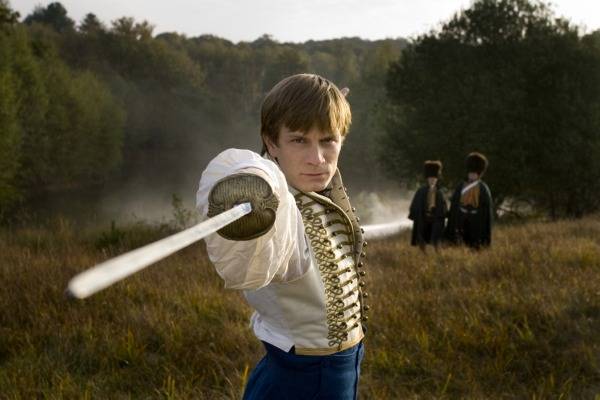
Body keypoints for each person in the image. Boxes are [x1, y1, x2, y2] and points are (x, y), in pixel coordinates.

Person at [196, 74, 368, 399]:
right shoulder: (278, 208)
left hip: (340, 367)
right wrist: (252, 187)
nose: (317, 159)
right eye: (300, 140)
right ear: (272, 143)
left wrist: (333, 107)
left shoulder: (316, 187)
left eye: (329, 140)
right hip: (302, 380)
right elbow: (250, 169)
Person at [446, 152, 493, 249]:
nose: (471, 176)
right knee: (459, 243)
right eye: (470, 173)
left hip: (476, 219)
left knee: (475, 245)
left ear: (478, 174)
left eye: (474, 174)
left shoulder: (483, 188)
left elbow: (485, 208)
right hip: (461, 218)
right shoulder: (461, 186)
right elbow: (455, 203)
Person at [408, 160, 447, 251]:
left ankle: (437, 254)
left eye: (434, 179)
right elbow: (415, 204)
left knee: (435, 240)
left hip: (435, 219)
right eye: (430, 179)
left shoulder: (440, 192)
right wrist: (416, 214)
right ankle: (423, 256)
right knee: (422, 239)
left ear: (437, 179)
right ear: (427, 179)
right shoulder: (421, 191)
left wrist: (441, 214)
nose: (432, 180)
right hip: (424, 218)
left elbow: (444, 207)